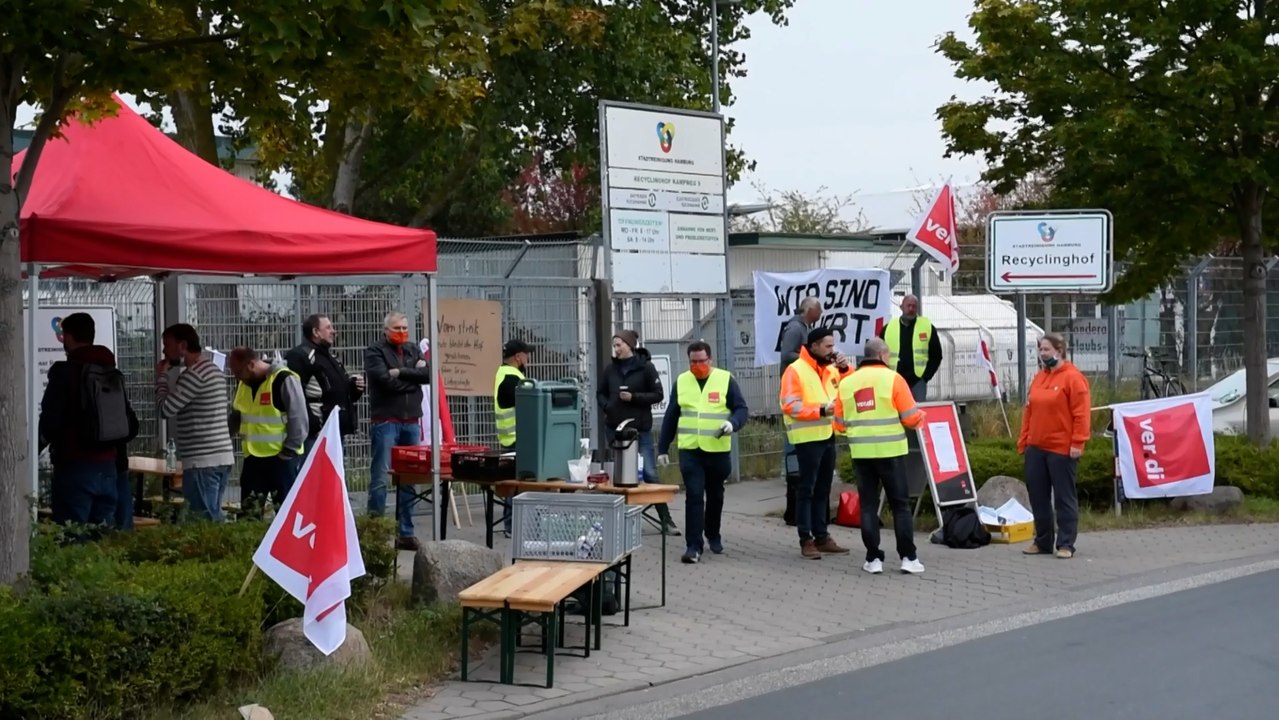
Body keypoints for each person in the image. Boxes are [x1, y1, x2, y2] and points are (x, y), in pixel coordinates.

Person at [38, 312, 138, 535]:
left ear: (68, 337)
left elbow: (50, 422)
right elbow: (130, 425)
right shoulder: (112, 374)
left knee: (72, 540)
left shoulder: (65, 373)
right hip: (109, 470)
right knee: (102, 542)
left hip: (75, 468)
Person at [834, 338, 927, 574]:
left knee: (867, 506)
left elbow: (839, 425)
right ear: (883, 355)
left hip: (862, 453)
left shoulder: (847, 383)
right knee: (900, 506)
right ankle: (908, 557)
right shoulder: (894, 379)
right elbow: (910, 417)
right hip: (891, 452)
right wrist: (922, 416)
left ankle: (873, 559)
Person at [657, 341, 749, 564]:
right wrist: (662, 447)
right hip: (691, 450)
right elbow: (671, 416)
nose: (697, 365)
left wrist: (732, 424)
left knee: (715, 494)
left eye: (702, 361)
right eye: (693, 361)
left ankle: (713, 533)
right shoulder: (682, 382)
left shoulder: (725, 379)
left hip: (717, 449)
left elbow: (741, 409)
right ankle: (693, 546)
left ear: (710, 360)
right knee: (695, 495)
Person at [779, 327, 853, 559]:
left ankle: (822, 536)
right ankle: (806, 539)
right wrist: (821, 410)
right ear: (814, 347)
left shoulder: (831, 368)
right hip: (807, 438)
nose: (833, 350)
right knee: (806, 489)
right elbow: (790, 405)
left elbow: (853, 386)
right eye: (828, 346)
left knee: (823, 489)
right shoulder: (795, 370)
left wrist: (845, 368)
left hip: (827, 434)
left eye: (833, 345)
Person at [598, 329, 678, 535]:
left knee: (650, 473)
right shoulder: (610, 370)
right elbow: (600, 392)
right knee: (616, 475)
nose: (616, 349)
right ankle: (614, 522)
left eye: (619, 345)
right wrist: (607, 406)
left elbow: (658, 395)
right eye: (614, 345)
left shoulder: (646, 368)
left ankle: (666, 520)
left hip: (639, 429)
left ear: (630, 345)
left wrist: (634, 397)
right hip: (615, 429)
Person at [1018, 333, 1091, 559]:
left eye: (1046, 350)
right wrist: (1024, 440)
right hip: (1036, 447)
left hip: (1061, 448)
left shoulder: (1073, 378)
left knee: (1063, 497)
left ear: (1059, 351)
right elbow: (1029, 411)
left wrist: (1078, 442)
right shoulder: (1039, 378)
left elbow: (1081, 414)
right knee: (1038, 496)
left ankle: (1066, 544)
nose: (1042, 354)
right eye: (1040, 350)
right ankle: (1042, 541)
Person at [365, 310, 432, 550]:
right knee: (381, 478)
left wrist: (402, 372)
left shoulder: (413, 349)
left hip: (411, 421)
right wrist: (412, 379)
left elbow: (428, 375)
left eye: (405, 328)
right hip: (386, 420)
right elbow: (384, 381)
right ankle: (374, 534)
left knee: (409, 478)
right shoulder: (375, 351)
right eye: (397, 329)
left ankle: (405, 533)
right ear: (386, 331)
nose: (402, 333)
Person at [156, 324, 235, 522]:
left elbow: (164, 409)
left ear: (182, 346)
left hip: (203, 461)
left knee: (204, 521)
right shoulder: (212, 370)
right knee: (212, 514)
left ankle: (218, 553)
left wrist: (162, 377)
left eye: (167, 345)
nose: (165, 351)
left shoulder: (193, 375)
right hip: (220, 457)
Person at [227, 346, 308, 513]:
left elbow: (299, 418)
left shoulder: (283, 379)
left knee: (287, 514)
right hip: (254, 458)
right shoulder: (244, 384)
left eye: (238, 372)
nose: (236, 376)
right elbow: (236, 415)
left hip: (282, 458)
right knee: (249, 512)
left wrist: (288, 451)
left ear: (250, 365)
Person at [285, 313, 365, 453]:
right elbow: (295, 394)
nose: (334, 331)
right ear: (316, 332)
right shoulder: (299, 356)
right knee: (315, 474)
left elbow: (337, 392)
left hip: (335, 429)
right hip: (316, 433)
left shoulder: (330, 357)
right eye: (328, 327)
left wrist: (354, 388)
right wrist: (313, 423)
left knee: (335, 474)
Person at [778, 296, 823, 526]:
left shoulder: (804, 327)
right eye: (819, 309)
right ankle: (794, 511)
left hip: (803, 396)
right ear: (809, 310)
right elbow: (786, 354)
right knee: (793, 452)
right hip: (794, 393)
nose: (822, 312)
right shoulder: (795, 328)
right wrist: (810, 358)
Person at [494, 338, 531, 535]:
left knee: (512, 481)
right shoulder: (513, 378)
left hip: (508, 436)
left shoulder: (503, 372)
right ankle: (513, 526)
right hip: (518, 436)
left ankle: (511, 525)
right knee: (517, 483)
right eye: (526, 354)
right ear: (518, 357)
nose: (528, 358)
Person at [879, 294, 942, 401]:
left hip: (917, 382)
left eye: (914, 306)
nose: (911, 309)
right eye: (908, 306)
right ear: (901, 307)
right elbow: (878, 355)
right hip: (894, 380)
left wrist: (925, 377)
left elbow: (936, 355)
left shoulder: (927, 327)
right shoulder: (888, 328)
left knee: (917, 414)